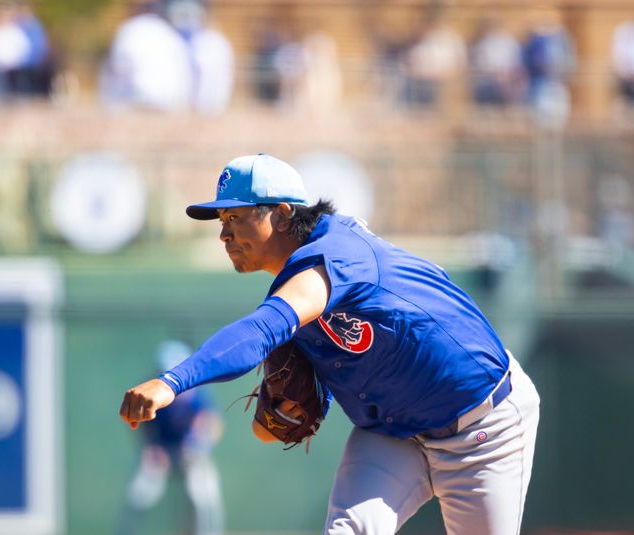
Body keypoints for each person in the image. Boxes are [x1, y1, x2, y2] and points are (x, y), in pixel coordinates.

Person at [120, 153, 541, 534]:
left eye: (235, 218)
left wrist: (173, 382)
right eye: (222, 222)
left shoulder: (335, 256)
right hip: (391, 434)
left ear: (282, 215)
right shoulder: (296, 291)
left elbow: (260, 331)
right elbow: (268, 431)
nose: (224, 235)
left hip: (484, 426)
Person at [117, 340, 224, 535]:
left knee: (203, 495)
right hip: (162, 452)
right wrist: (152, 448)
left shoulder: (198, 393)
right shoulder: (152, 393)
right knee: (139, 493)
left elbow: (212, 424)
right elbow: (141, 428)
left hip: (192, 454)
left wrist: (196, 446)